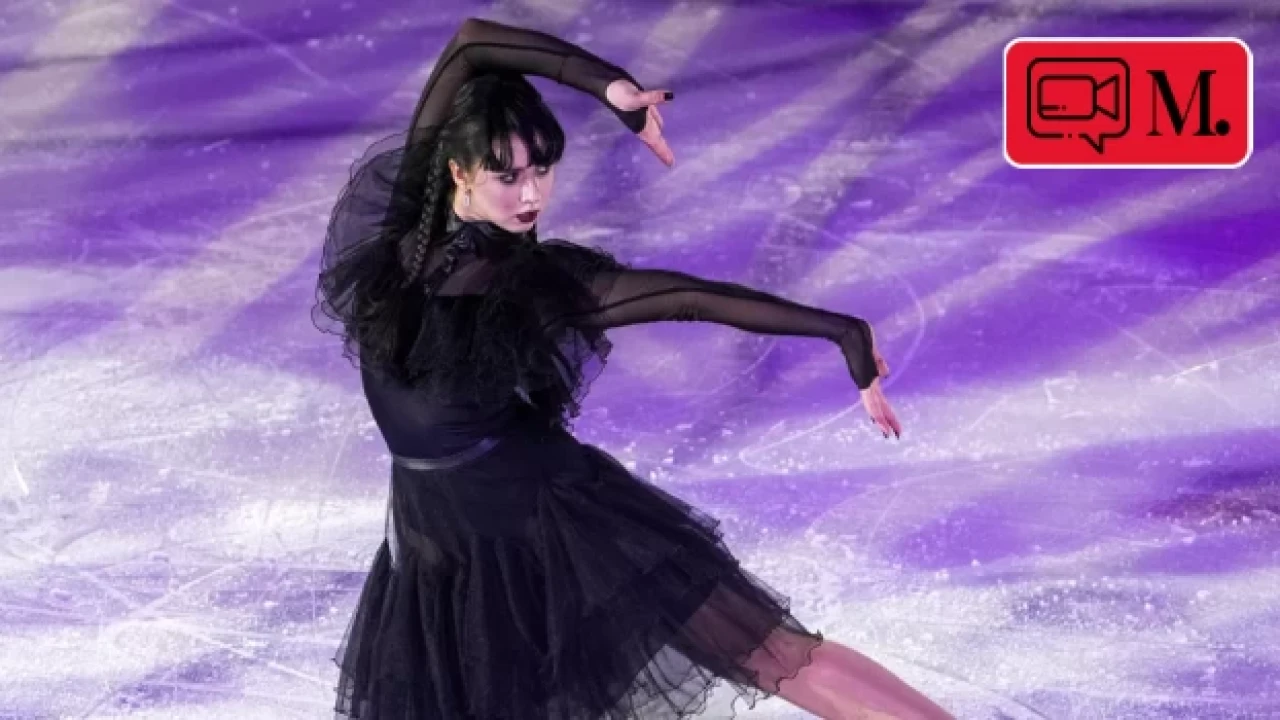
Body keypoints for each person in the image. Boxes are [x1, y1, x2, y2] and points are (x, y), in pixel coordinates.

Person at [314, 16, 950, 720]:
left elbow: (688, 298)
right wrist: (609, 86)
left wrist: (840, 330)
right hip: (440, 533)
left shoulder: (534, 286)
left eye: (543, 169)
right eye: (508, 175)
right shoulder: (403, 231)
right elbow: (470, 44)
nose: (530, 195)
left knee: (764, 651)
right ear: (459, 171)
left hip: (546, 516)